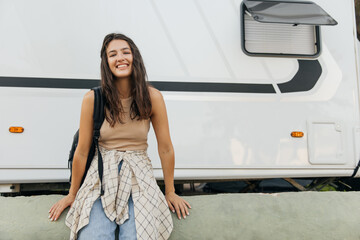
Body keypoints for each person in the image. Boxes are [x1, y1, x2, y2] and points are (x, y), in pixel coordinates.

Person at [49, 33, 191, 240]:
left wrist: (170, 191)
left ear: (135, 57)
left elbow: (166, 148)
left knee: (139, 234)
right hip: (100, 176)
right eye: (112, 54)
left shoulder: (153, 97)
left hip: (139, 174)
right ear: (106, 63)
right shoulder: (92, 98)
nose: (120, 58)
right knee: (93, 235)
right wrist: (72, 194)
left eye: (126, 52)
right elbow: (81, 151)